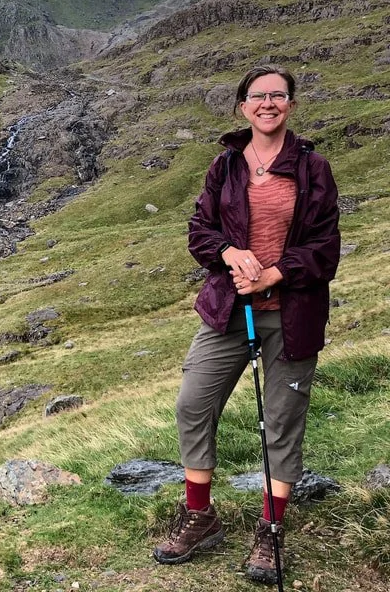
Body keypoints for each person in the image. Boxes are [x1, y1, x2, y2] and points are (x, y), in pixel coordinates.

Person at [152, 65, 341, 584]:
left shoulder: (312, 167)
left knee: (281, 421)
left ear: (291, 106)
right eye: (258, 96)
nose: (268, 103)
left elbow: (326, 247)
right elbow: (200, 230)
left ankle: (271, 528)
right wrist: (230, 251)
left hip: (293, 316)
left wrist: (275, 274)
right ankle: (200, 515)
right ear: (243, 107)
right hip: (229, 309)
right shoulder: (226, 165)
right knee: (193, 402)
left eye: (277, 95)